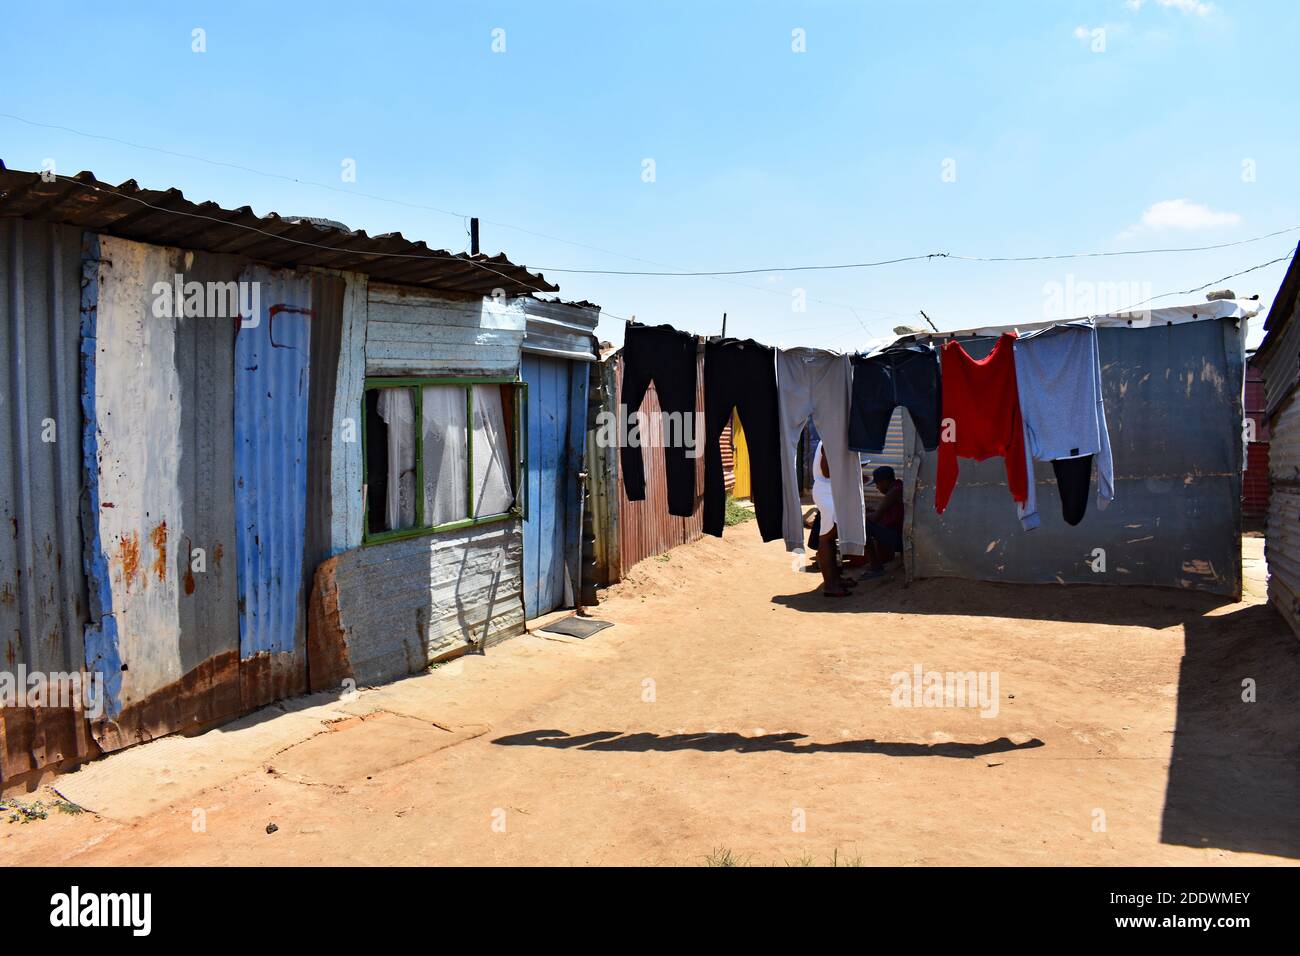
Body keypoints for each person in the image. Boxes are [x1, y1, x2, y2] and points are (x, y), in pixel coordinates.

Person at [811, 441, 857, 597]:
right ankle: (830, 585)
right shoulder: (828, 440)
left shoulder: (832, 437)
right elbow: (827, 471)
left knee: (831, 537)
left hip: (831, 491)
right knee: (827, 537)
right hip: (827, 493)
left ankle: (835, 579)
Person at [860, 465, 904, 578]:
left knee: (863, 526)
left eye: (877, 484)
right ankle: (883, 558)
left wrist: (862, 516)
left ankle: (876, 567)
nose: (877, 488)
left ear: (884, 482)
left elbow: (875, 517)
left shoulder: (894, 491)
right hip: (900, 533)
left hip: (900, 539)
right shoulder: (898, 486)